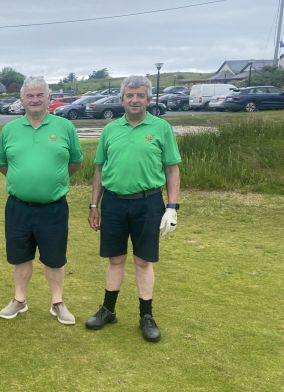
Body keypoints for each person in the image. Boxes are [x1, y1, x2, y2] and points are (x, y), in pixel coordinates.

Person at [86, 75, 181, 342]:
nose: (135, 100)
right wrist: (95, 204)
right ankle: (108, 310)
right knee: (115, 259)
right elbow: (99, 170)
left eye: (140, 95)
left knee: (143, 261)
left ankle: (146, 316)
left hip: (149, 202)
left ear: (148, 99)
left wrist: (172, 207)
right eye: (130, 95)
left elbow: (172, 170)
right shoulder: (110, 129)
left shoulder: (161, 128)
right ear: (122, 99)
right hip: (114, 202)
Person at [0, 76, 82, 324]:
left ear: (48, 98)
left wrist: (51, 181)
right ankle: (19, 300)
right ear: (22, 99)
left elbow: (74, 163)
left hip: (53, 208)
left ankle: (57, 303)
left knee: (54, 258)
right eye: (30, 96)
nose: (34, 100)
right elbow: (3, 164)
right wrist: (25, 182)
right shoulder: (10, 129)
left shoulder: (64, 127)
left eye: (39, 95)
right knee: (20, 256)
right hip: (18, 207)